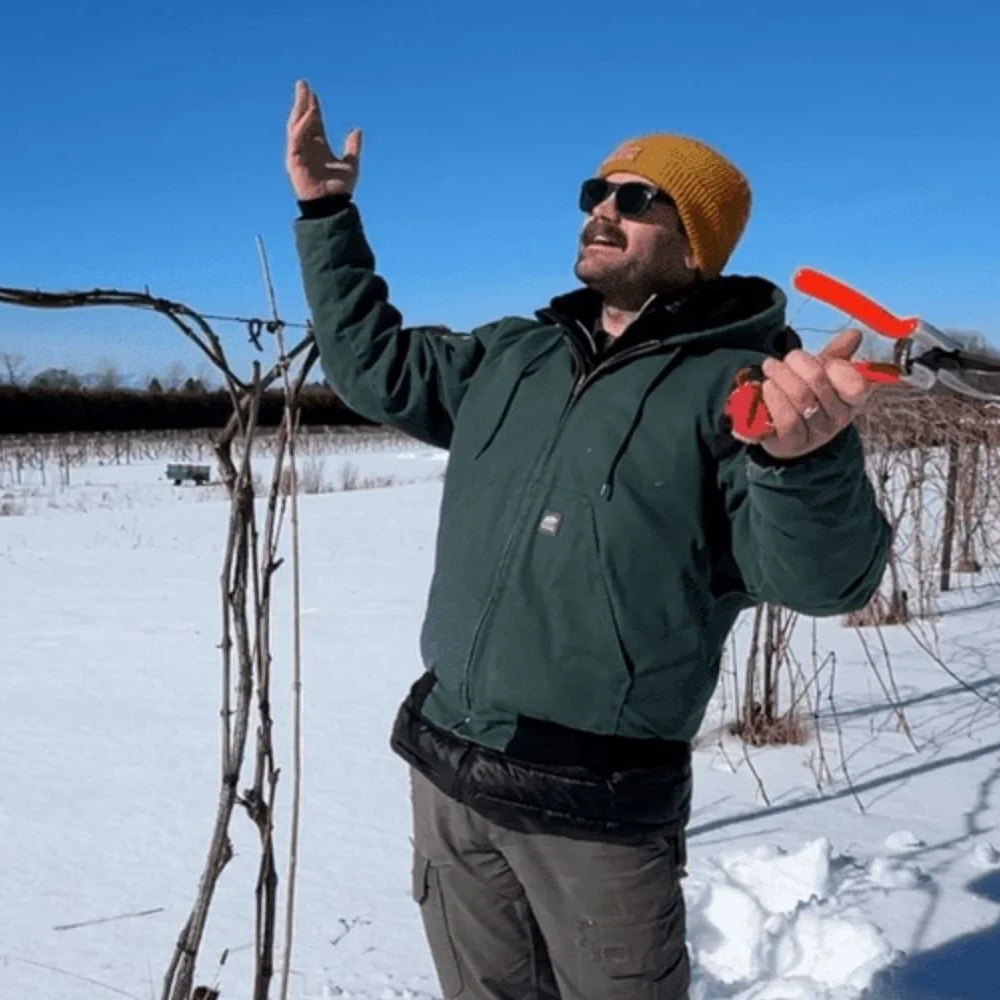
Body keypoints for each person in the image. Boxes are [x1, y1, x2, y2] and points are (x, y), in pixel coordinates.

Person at [284, 79, 892, 1000]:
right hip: (447, 765)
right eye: (596, 194)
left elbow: (824, 582)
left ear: (696, 246)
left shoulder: (743, 388)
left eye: (638, 199)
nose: (604, 211)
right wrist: (329, 215)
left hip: (594, 807)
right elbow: (374, 369)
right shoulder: (516, 354)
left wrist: (806, 464)